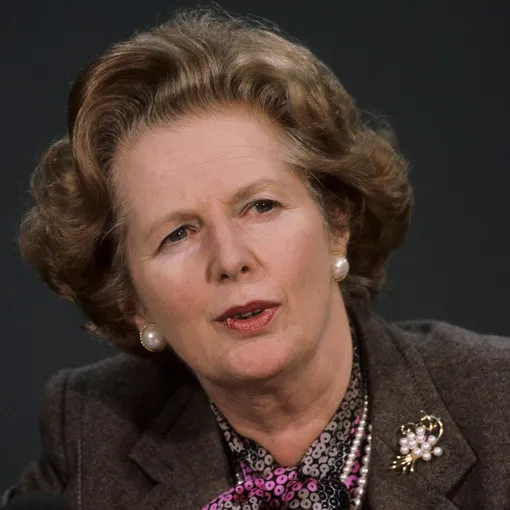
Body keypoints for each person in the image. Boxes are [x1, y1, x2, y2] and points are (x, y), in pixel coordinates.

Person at [2, 7, 509, 510]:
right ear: (130, 299)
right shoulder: (92, 432)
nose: (230, 258)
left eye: (260, 206)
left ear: (337, 223)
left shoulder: (496, 405)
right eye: (177, 234)